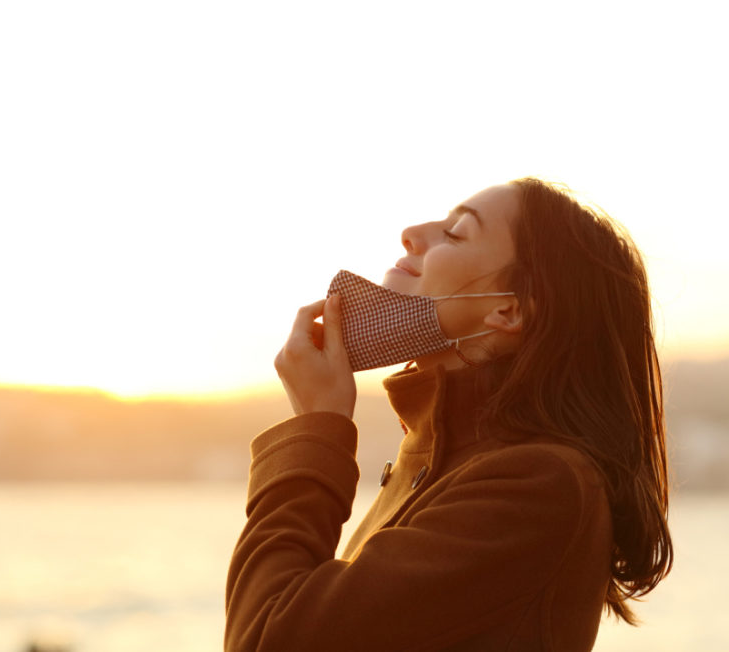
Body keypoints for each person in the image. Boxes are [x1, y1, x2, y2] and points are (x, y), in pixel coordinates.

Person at [224, 178, 672, 651]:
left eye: (456, 233)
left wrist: (316, 426)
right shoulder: (435, 454)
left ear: (508, 310)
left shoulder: (538, 483)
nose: (412, 232)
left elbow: (268, 640)